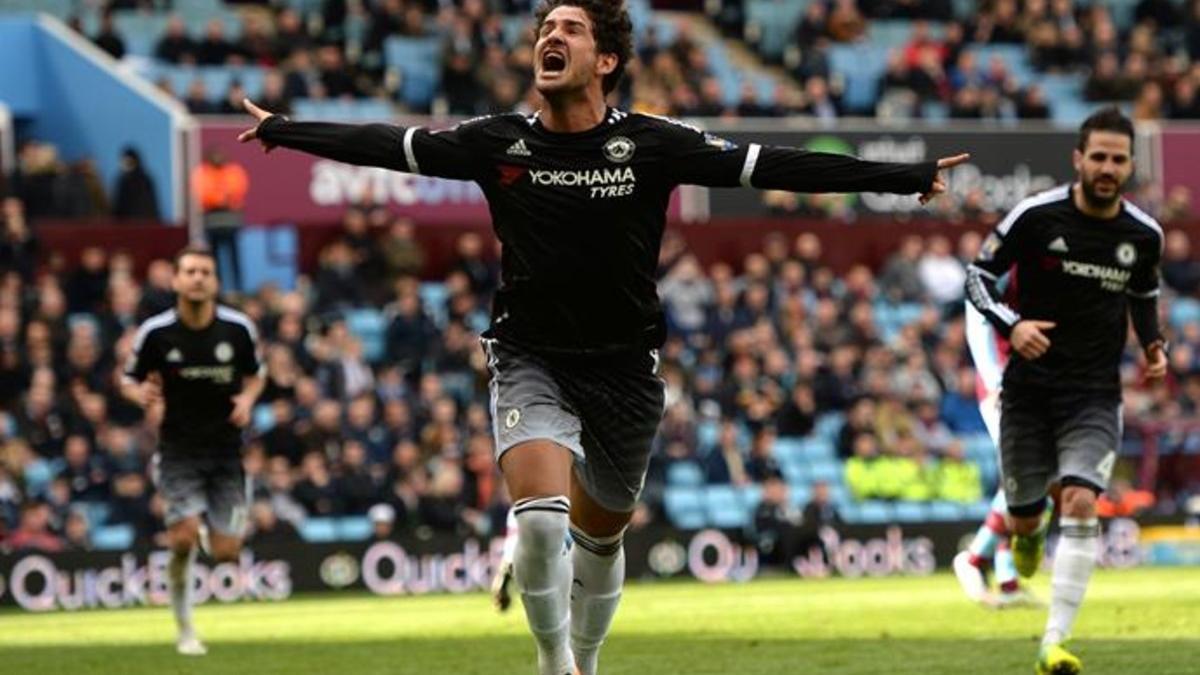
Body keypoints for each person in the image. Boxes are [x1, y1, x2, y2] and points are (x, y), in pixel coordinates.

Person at [238, 2, 965, 672]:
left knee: (601, 536)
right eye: (543, 30)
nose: (550, 38)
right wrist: (284, 129)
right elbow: (387, 145)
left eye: (570, 29)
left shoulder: (652, 143)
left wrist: (904, 178)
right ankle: (558, 666)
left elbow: (773, 164)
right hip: (530, 357)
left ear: (606, 60)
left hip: (625, 372)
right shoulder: (499, 142)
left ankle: (585, 656)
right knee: (543, 524)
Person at [964, 107, 1167, 675]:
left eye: (1118, 159)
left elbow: (1143, 293)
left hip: (1095, 396)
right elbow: (977, 277)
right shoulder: (1034, 216)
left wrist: (1152, 344)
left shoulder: (1143, 235)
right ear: (1078, 159)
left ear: (1129, 165)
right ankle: (1025, 537)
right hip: (1027, 395)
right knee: (1028, 518)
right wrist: (1013, 325)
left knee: (1080, 499)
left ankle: (1052, 642)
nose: (1107, 167)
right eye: (1097, 156)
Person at [120, 246, 264, 657]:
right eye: (190, 271)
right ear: (177, 281)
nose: (198, 278)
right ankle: (185, 630)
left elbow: (257, 376)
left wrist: (248, 400)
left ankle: (209, 524)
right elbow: (127, 379)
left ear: (215, 281)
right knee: (181, 541)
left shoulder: (238, 330)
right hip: (178, 450)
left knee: (226, 554)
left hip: (226, 454)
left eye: (205, 271)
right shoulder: (156, 333)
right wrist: (140, 394)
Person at [191, 147, 249, 291]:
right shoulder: (202, 173)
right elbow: (203, 194)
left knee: (234, 258)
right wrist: (220, 198)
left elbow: (238, 190)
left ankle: (238, 289)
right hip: (212, 223)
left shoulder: (234, 171)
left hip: (231, 222)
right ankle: (216, 288)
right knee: (213, 258)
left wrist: (223, 198)